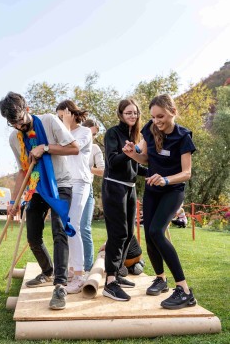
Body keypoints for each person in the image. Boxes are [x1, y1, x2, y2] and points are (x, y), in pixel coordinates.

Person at [0, 92, 79, 310]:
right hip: (36, 186)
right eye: (12, 123)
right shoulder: (14, 138)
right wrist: (14, 201)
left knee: (59, 230)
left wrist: (44, 148)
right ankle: (47, 271)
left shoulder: (49, 121)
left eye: (20, 119)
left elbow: (74, 148)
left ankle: (60, 286)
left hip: (61, 183)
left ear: (28, 107)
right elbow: (22, 170)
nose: (18, 125)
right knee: (33, 236)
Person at [123, 93, 197, 310]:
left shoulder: (183, 137)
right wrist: (131, 154)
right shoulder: (149, 129)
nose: (157, 121)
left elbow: (187, 173)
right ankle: (161, 279)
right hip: (153, 190)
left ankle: (184, 291)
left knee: (156, 231)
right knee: (149, 235)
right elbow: (144, 157)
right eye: (154, 117)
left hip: (173, 191)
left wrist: (166, 179)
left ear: (173, 112)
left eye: (161, 116)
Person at [102, 98, 147, 302]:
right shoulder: (112, 133)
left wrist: (160, 172)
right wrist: (130, 153)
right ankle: (110, 282)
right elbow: (112, 162)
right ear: (120, 114)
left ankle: (118, 274)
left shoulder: (134, 136)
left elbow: (136, 168)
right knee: (117, 234)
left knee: (129, 233)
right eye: (128, 112)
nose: (132, 116)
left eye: (135, 113)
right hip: (114, 186)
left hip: (130, 189)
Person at [56, 100, 92, 293]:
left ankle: (79, 275)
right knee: (66, 225)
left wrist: (67, 126)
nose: (60, 120)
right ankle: (72, 270)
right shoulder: (62, 132)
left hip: (81, 182)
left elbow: (74, 146)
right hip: (66, 183)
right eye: (59, 117)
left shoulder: (84, 132)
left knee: (73, 226)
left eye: (62, 116)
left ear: (71, 113)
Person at [80, 119, 105, 277]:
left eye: (95, 134)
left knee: (84, 228)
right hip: (70, 189)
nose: (93, 137)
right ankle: (71, 267)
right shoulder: (72, 144)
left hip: (87, 189)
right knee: (68, 229)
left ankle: (88, 267)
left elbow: (103, 171)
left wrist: (85, 167)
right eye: (91, 133)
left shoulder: (95, 148)